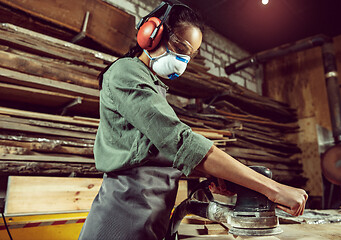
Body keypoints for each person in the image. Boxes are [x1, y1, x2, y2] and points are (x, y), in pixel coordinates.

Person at [78, 1, 308, 239]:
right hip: (121, 220)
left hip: (149, 218)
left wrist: (210, 174)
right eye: (179, 47)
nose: (182, 60)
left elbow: (157, 156)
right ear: (151, 34)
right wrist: (274, 189)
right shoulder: (125, 73)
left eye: (188, 55)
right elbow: (180, 143)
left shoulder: (154, 86)